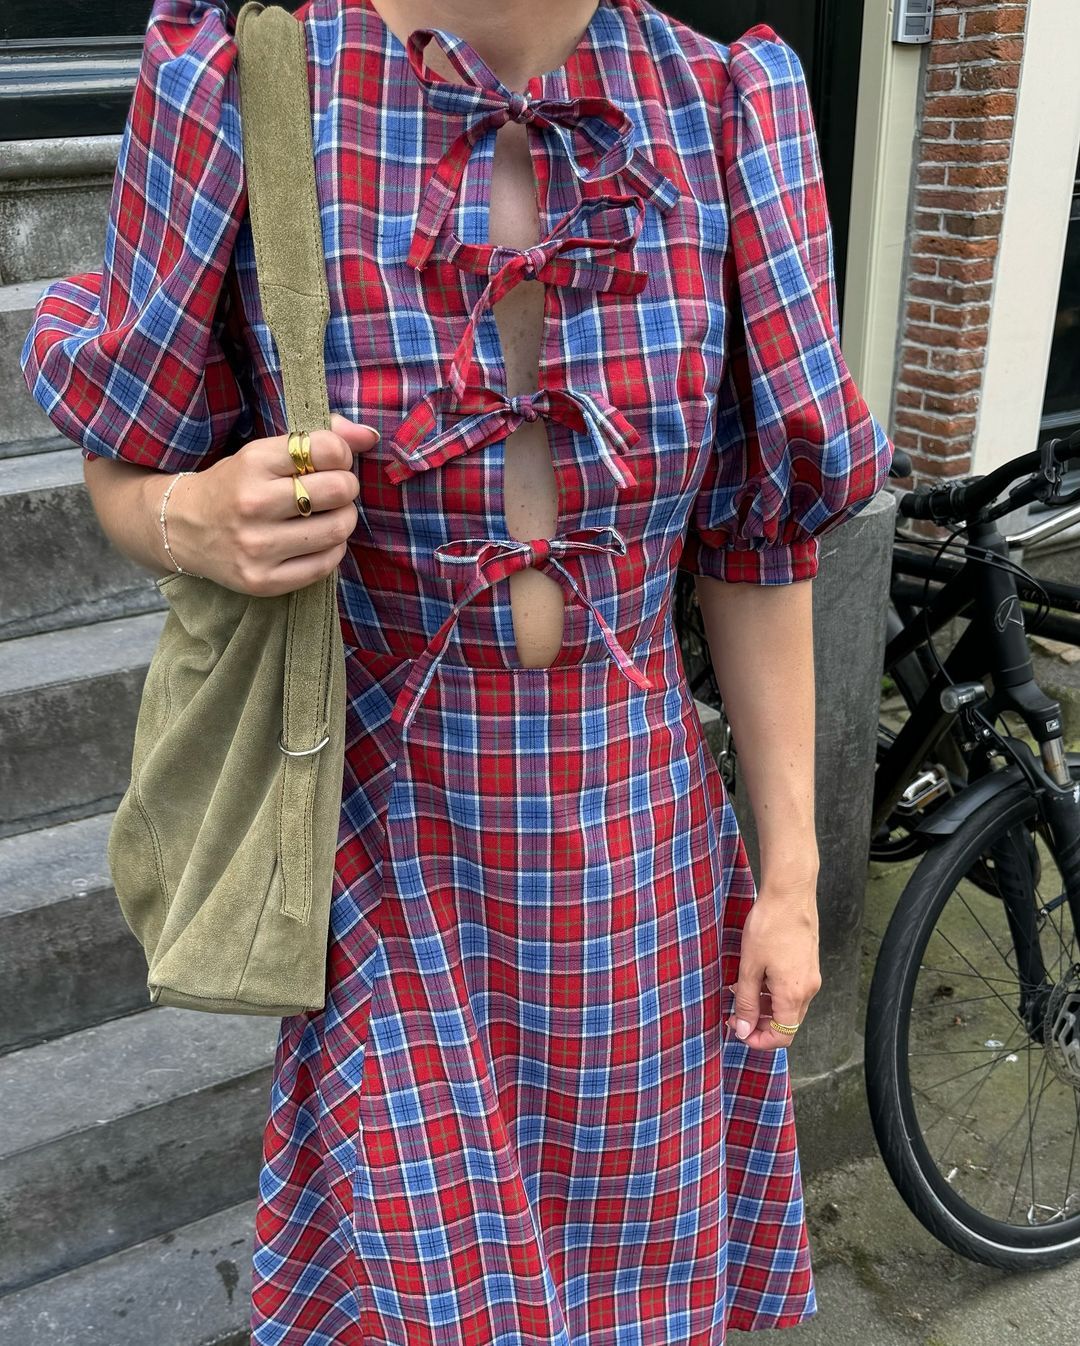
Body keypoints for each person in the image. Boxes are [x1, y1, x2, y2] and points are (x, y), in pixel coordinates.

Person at [21, 0, 893, 1339]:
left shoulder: (723, 111)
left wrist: (791, 875)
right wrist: (193, 520)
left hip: (645, 877)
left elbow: (754, 547)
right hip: (394, 862)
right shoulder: (249, 90)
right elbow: (129, 462)